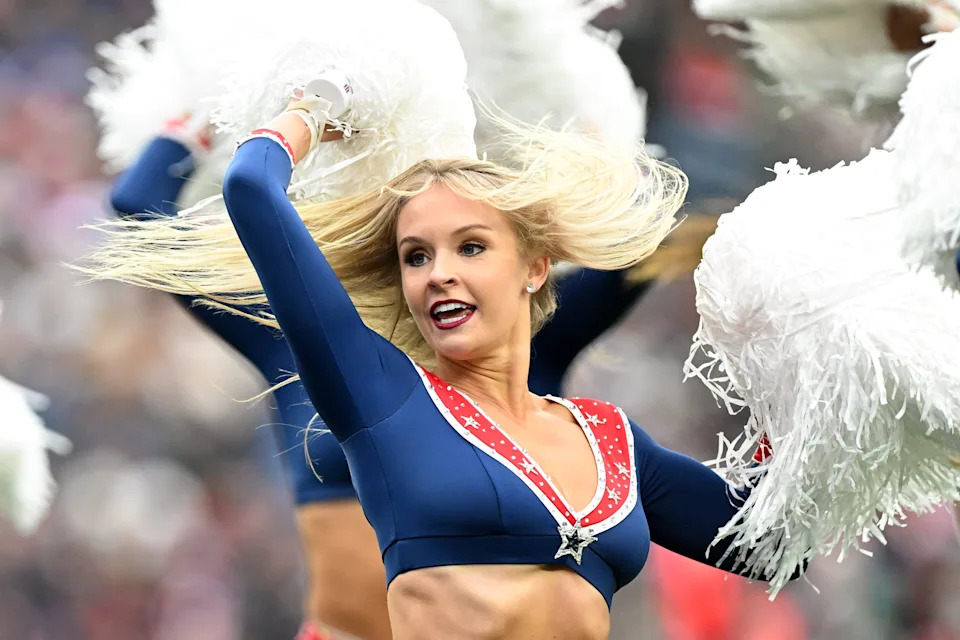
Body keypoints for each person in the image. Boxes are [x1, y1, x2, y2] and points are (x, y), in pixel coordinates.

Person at [84, 80, 801, 637]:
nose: (438, 273)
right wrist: (306, 100)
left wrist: (809, 368)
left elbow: (771, 546)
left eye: (471, 247)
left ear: (534, 267)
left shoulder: (609, 439)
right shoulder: (374, 392)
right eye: (415, 256)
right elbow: (245, 192)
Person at [107, 124, 389, 640]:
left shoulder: (506, 349)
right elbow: (140, 204)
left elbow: (593, 269)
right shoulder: (298, 343)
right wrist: (202, 105)